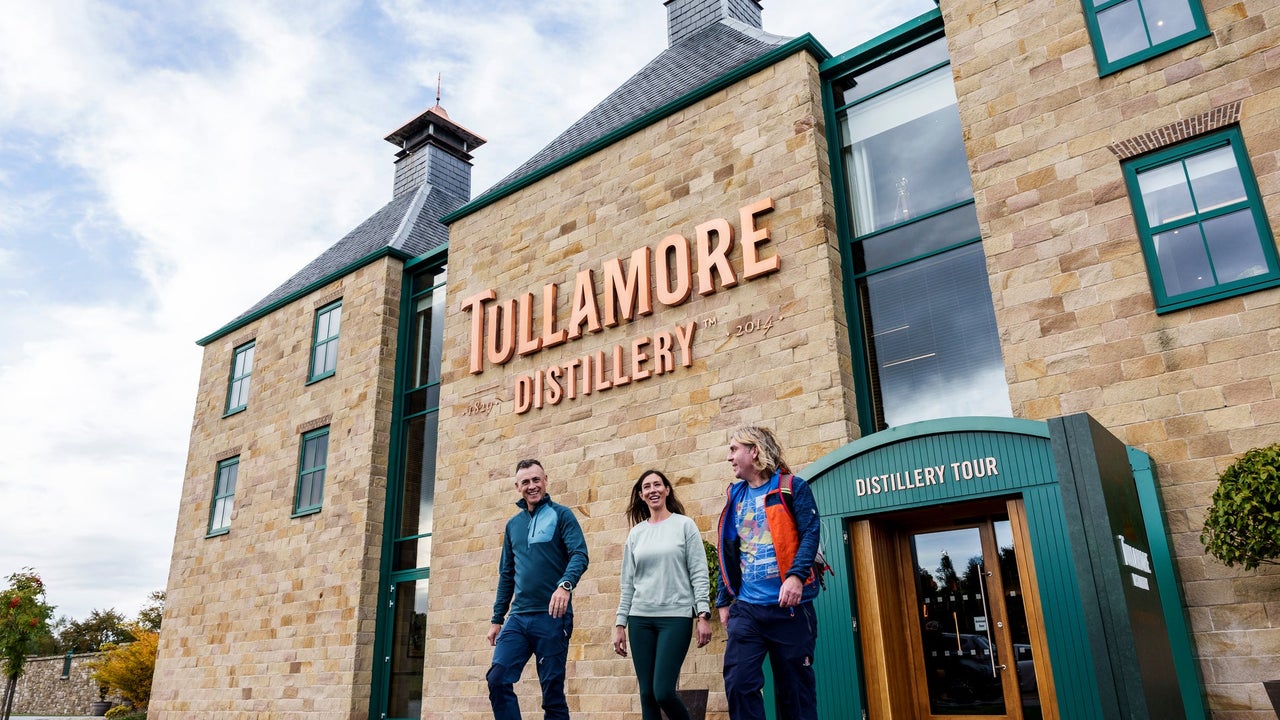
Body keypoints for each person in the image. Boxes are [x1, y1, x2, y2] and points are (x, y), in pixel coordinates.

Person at [716, 426, 822, 720]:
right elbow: (729, 550)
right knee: (739, 683)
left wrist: (796, 576)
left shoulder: (791, 487)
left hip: (789, 610)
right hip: (748, 609)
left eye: (734, 449)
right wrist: (724, 599)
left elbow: (810, 533)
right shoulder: (735, 495)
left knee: (795, 695)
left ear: (755, 451)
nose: (729, 457)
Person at [487, 459, 590, 720]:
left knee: (552, 696)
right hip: (518, 617)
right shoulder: (513, 526)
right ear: (517, 487)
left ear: (545, 480)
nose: (532, 486)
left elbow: (579, 554)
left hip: (553, 618)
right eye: (525, 482)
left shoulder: (562, 515)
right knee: (497, 678)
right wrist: (498, 618)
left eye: (536, 480)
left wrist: (565, 586)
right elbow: (507, 575)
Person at [612, 469, 713, 720]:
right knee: (646, 694)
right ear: (641, 495)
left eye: (658, 484)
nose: (653, 489)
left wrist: (703, 615)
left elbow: (699, 572)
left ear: (667, 490)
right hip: (640, 619)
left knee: (663, 692)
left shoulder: (684, 525)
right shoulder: (636, 534)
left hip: (675, 617)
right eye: (647, 486)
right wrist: (619, 623)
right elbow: (628, 583)